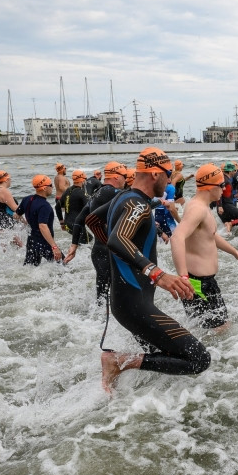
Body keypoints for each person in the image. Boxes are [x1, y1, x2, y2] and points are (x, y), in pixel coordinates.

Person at [87, 147, 210, 392]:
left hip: (126, 303)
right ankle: (117, 361)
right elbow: (117, 240)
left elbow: (93, 221)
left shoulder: (121, 198)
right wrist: (158, 274)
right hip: (136, 306)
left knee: (163, 361)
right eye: (168, 174)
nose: (169, 180)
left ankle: (138, 400)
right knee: (199, 359)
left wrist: (121, 263)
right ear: (155, 173)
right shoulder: (137, 206)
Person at [170, 163, 238, 330]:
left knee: (217, 329)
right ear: (210, 187)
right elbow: (177, 237)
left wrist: (235, 253)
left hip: (204, 283)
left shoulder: (201, 206)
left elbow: (211, 235)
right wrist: (183, 278)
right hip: (197, 284)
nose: (224, 189)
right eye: (222, 185)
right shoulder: (197, 209)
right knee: (216, 332)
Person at [67, 161, 128, 302]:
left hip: (98, 250)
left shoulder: (97, 193)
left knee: (102, 295)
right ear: (117, 177)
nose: (126, 180)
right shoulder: (114, 193)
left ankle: (96, 321)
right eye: (125, 176)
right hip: (110, 250)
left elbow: (79, 219)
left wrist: (74, 245)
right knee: (118, 295)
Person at [16, 175, 63, 266]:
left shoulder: (27, 199)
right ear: (45, 188)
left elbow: (16, 215)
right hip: (44, 243)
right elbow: (42, 226)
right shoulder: (44, 205)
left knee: (30, 269)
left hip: (31, 242)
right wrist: (54, 247)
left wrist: (27, 223)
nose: (52, 187)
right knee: (63, 267)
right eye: (50, 185)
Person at [59, 170, 90, 240]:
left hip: (66, 225)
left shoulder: (68, 190)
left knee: (80, 243)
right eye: (85, 179)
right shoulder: (81, 193)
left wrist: (61, 222)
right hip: (76, 225)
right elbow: (89, 208)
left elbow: (58, 206)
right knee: (88, 241)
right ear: (82, 180)